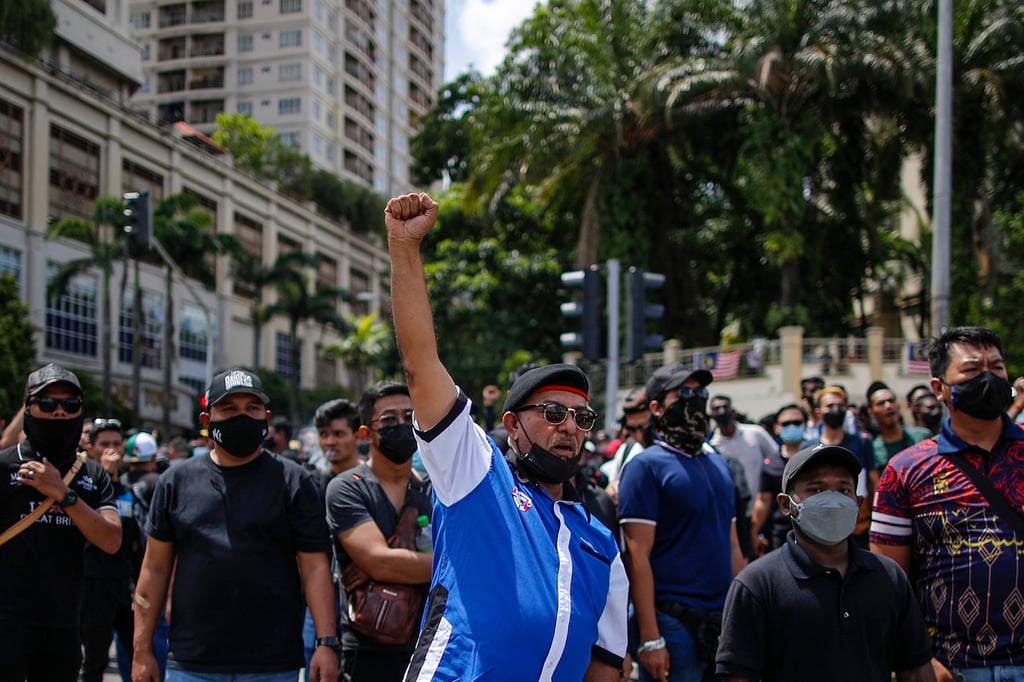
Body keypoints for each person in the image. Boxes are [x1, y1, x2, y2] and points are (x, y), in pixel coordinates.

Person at [384, 192, 628, 681]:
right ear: (512, 425)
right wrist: (404, 249)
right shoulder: (476, 476)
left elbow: (605, 666)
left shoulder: (602, 544)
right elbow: (420, 366)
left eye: (582, 419)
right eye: (554, 412)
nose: (569, 428)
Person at [132, 367, 339, 682]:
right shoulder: (176, 481)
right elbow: (155, 569)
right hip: (192, 663)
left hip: (273, 663)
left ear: (265, 418)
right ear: (207, 421)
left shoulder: (293, 481)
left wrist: (326, 642)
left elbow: (314, 566)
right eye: (228, 409)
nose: (242, 416)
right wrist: (142, 649)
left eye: (251, 408)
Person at [872, 326, 1024, 681]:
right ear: (940, 389)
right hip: (949, 669)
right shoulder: (905, 470)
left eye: (996, 368)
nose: (988, 377)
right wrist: (917, 659)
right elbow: (887, 582)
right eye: (972, 370)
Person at [716, 444, 935, 682]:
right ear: (785, 504)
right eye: (816, 489)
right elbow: (736, 676)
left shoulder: (888, 576)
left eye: (843, 490)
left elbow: (914, 668)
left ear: (858, 503)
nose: (831, 501)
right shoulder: (758, 584)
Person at [618, 362, 746, 682]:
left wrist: (746, 613)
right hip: (673, 624)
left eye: (700, 392)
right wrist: (649, 637)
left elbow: (732, 544)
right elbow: (637, 557)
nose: (695, 399)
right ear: (657, 408)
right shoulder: (644, 467)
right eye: (683, 393)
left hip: (721, 621)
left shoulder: (718, 464)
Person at [0, 364, 121, 681]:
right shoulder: (4, 465)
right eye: (47, 404)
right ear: (28, 408)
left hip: (63, 625)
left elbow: (111, 540)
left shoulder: (92, 474)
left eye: (70, 406)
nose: (58, 413)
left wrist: (62, 493)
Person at [324, 381, 432, 681]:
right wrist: (453, 565)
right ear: (365, 433)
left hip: (427, 648)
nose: (401, 425)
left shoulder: (435, 490)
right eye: (388, 419)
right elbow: (379, 561)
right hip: (367, 651)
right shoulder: (347, 488)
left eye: (408, 417)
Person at [80, 418, 137, 682]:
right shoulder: (84, 488)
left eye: (116, 444)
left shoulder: (129, 490)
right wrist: (104, 475)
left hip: (123, 584)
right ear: (91, 448)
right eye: (105, 445)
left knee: (139, 649)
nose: (111, 450)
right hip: (94, 585)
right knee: (96, 659)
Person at [708, 395, 777, 558]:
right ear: (711, 415)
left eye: (725, 407)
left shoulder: (755, 434)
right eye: (716, 409)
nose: (722, 412)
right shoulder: (712, 446)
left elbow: (775, 460)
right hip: (738, 517)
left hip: (765, 511)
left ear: (733, 411)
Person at [750, 404, 811, 554]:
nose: (792, 427)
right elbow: (763, 500)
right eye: (786, 424)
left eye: (797, 423)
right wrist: (754, 532)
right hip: (782, 534)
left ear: (805, 425)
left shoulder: (817, 457)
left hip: (815, 530)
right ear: (777, 427)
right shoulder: (770, 463)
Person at [601, 387, 652, 504]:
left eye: (644, 428)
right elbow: (611, 487)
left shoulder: (675, 451)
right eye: (632, 429)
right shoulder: (625, 451)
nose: (639, 435)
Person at [866, 381, 931, 467]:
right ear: (871, 412)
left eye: (891, 401)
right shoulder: (873, 450)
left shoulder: (922, 437)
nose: (888, 406)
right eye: (881, 403)